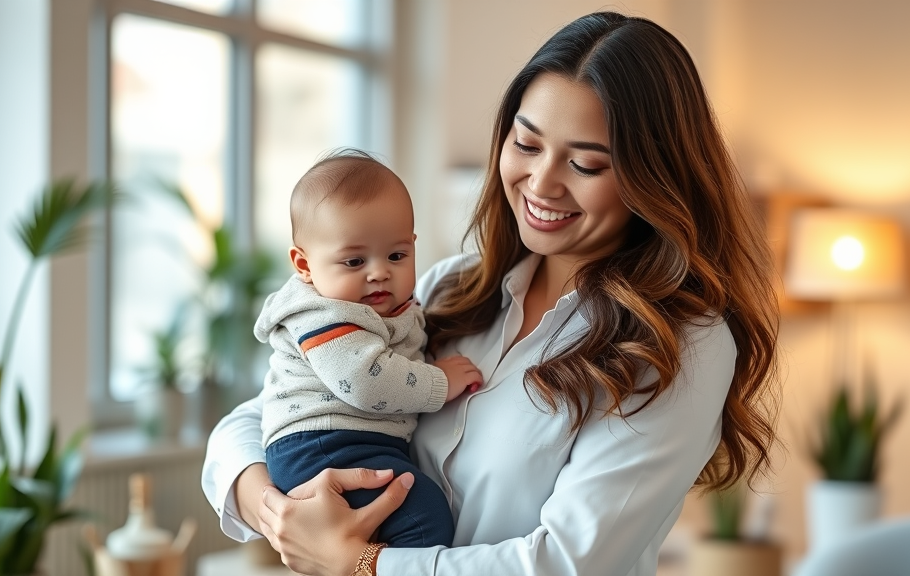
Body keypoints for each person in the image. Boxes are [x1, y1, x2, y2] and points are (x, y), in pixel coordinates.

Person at [201, 10, 779, 576]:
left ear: (654, 178)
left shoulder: (681, 345)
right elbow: (261, 417)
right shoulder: (450, 288)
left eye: (584, 163)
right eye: (526, 145)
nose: (542, 182)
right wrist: (278, 516)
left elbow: (567, 563)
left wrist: (359, 564)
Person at [252, 149, 482, 549]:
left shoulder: (392, 305)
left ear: (413, 245)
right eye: (355, 261)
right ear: (304, 265)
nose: (379, 272)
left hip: (353, 441)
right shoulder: (324, 315)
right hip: (321, 443)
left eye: (397, 255)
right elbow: (365, 379)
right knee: (421, 514)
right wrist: (439, 381)